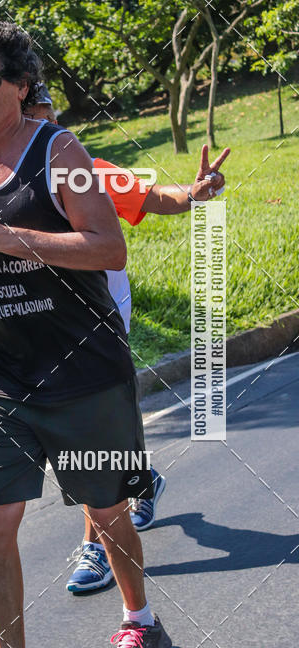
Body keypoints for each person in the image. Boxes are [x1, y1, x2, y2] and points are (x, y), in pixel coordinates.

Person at [0, 16, 172, 648]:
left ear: (21, 85)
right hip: (5, 374)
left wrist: (6, 236)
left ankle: (141, 619)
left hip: (84, 368)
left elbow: (109, 248)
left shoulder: (59, 150)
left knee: (105, 512)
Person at [24, 88, 229, 594]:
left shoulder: (83, 168)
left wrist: (196, 192)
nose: (47, 135)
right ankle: (141, 476)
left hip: (99, 315)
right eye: (34, 122)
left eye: (52, 123)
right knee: (91, 429)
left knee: (92, 427)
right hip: (35, 324)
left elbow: (157, 199)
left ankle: (96, 546)